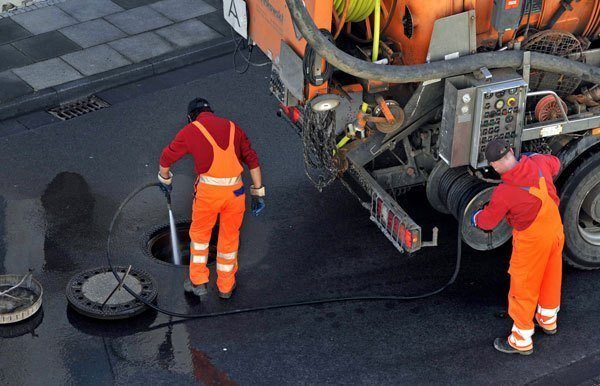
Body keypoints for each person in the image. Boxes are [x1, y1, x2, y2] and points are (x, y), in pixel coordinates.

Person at [158, 98, 265, 299]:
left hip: (208, 194)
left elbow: (167, 157)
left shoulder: (191, 130)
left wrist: (165, 179)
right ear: (211, 112)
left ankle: (198, 283)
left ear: (190, 117)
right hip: (236, 193)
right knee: (230, 238)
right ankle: (226, 287)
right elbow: (252, 160)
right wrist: (258, 192)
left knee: (200, 238)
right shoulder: (234, 128)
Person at [472, 139, 564, 355]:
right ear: (512, 152)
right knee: (551, 276)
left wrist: (476, 217)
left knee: (524, 286)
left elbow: (488, 222)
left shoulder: (504, 193)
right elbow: (556, 164)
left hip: (532, 241)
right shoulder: (539, 161)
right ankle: (548, 319)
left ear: (494, 166)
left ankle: (521, 339)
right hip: (554, 230)